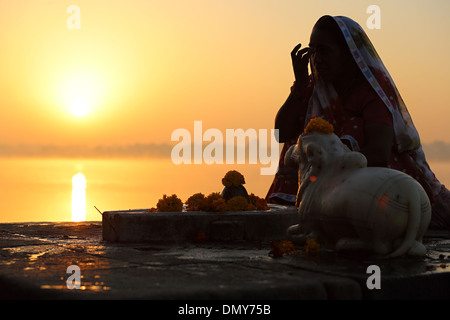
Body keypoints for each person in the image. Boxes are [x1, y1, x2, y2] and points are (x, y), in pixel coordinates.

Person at [266, 15, 450, 229]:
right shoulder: (314, 91)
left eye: (324, 51)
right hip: (330, 185)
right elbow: (281, 133)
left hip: (374, 186)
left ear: (349, 55)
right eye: (312, 51)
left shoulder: (371, 94)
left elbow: (379, 154)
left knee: (341, 134)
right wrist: (299, 84)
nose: (316, 59)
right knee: (303, 140)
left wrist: (333, 162)